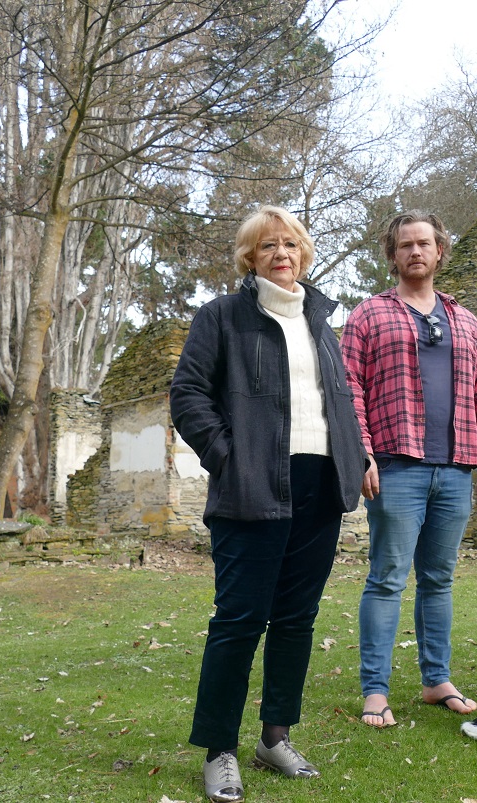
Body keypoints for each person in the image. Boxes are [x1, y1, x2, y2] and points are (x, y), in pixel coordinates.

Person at [170, 206, 367, 803]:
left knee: (297, 619)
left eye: (290, 244)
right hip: (251, 488)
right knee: (237, 621)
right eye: (266, 247)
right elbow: (188, 395)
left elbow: (335, 402)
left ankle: (275, 736)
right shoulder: (223, 317)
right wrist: (230, 457)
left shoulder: (322, 322)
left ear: (304, 253)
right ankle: (220, 749)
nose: (281, 254)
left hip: (320, 486)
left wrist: (357, 458)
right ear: (248, 258)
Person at [341, 210, 477, 729]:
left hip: (455, 471)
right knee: (387, 579)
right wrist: (361, 455)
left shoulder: (466, 321)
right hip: (396, 469)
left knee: (439, 579)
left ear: (439, 252)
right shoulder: (368, 315)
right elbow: (349, 392)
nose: (415, 252)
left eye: (425, 244)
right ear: (392, 255)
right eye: (405, 245)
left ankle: (436, 679)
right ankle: (375, 690)